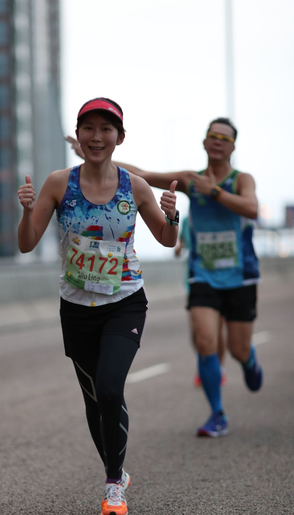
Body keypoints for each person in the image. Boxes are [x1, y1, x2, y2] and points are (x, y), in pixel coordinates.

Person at [18, 98, 178, 515]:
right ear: (79, 135)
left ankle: (112, 485)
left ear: (119, 138)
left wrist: (172, 216)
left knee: (109, 388)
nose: (96, 136)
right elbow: (27, 243)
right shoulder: (59, 183)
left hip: (124, 301)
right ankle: (117, 472)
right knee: (94, 400)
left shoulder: (134, 186)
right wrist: (26, 212)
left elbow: (166, 240)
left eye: (106, 129)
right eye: (88, 128)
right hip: (76, 307)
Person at [67, 116, 263, 438]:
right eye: (212, 135)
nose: (217, 141)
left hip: (240, 276)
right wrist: (95, 156)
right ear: (204, 142)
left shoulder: (241, 180)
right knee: (205, 341)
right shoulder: (190, 180)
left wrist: (213, 191)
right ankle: (217, 414)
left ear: (232, 147)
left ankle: (248, 360)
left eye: (224, 138)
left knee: (239, 349)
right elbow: (142, 175)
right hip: (203, 274)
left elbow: (252, 208)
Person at [174, 214, 227, 388]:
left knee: (216, 330)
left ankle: (218, 369)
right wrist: (178, 249)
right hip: (194, 279)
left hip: (219, 280)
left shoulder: (220, 214)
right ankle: (204, 366)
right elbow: (182, 242)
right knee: (197, 332)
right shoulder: (187, 220)